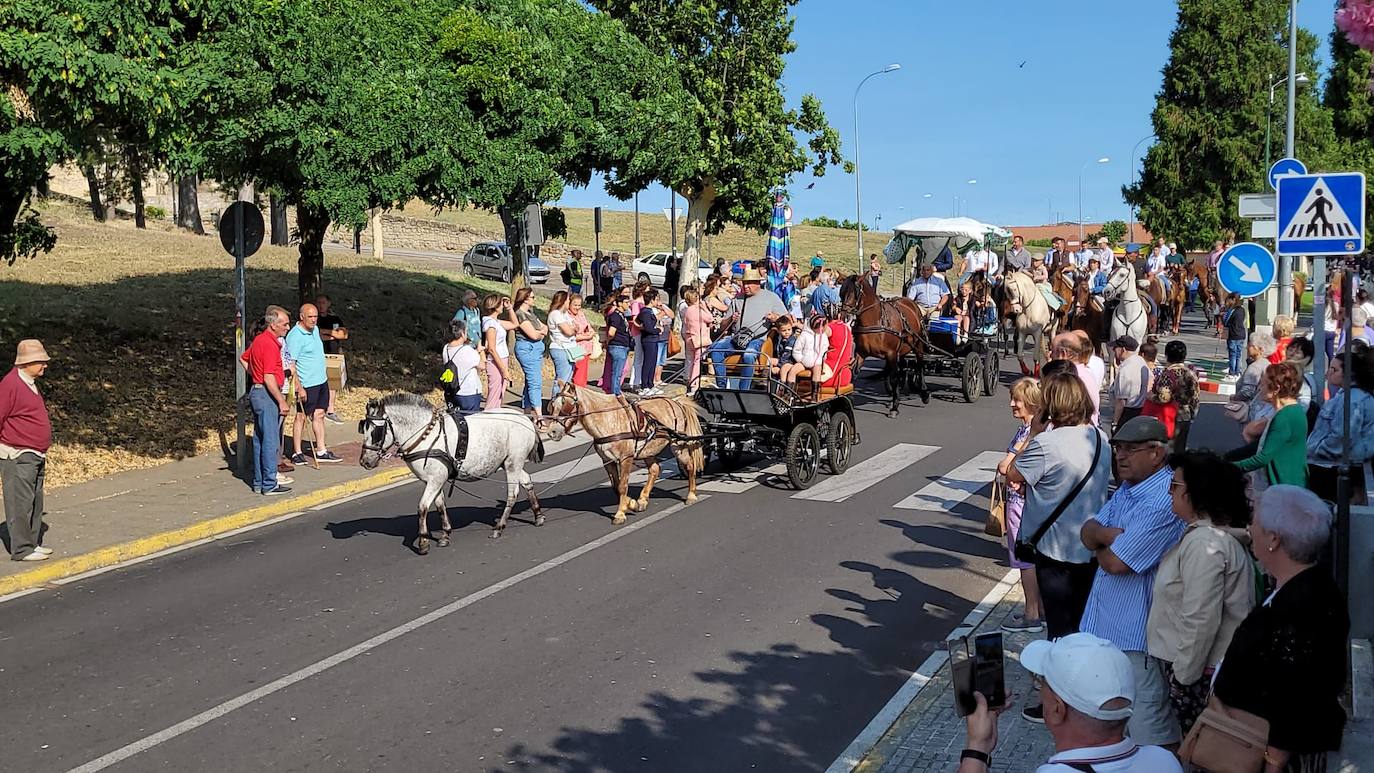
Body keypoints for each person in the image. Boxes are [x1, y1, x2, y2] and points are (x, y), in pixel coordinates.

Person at [1212, 486, 1349, 772]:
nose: (1250, 527)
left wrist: (1273, 762)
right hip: (1251, 743)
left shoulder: (1304, 604)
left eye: (1256, 522)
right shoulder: (1299, 585)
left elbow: (1297, 693)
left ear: (1274, 539)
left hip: (1267, 756)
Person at [1077, 417, 1186, 747]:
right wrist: (1106, 536)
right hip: (1107, 632)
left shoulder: (1162, 501)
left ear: (1156, 452)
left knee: (1149, 733)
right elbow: (1086, 532)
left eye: (1130, 449)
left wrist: (1100, 541)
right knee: (1111, 731)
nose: (1120, 456)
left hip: (1137, 643)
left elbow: (1115, 563)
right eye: (1117, 448)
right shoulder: (1129, 489)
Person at [955, 632, 1183, 773]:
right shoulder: (1164, 761)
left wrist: (978, 746)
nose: (1038, 690)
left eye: (1041, 681)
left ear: (1057, 709)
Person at [1147, 450, 1255, 736]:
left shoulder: (1205, 544)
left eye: (1175, 486)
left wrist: (1183, 677)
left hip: (1200, 674)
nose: (1169, 493)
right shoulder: (1208, 537)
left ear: (1196, 493)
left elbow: (1200, 619)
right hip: (1201, 669)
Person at [1007, 372, 1112, 652]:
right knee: (1081, 624)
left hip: (1054, 549)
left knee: (1059, 629)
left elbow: (1012, 472)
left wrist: (1033, 433)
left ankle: (1058, 687)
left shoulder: (1046, 444)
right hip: (1090, 548)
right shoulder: (1100, 439)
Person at [998, 378, 1046, 634]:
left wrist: (1008, 459)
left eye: (1017, 400)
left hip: (1020, 502)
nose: (1012, 404)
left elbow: (1006, 467)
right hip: (1026, 500)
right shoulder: (1028, 430)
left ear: (1031, 403)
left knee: (1024, 559)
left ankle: (1032, 613)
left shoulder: (1029, 433)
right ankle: (1039, 608)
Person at [0, 339, 54, 560]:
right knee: (19, 502)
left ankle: (32, 542)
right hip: (18, 453)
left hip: (35, 453)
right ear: (27, 362)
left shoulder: (28, 382)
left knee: (34, 500)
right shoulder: (10, 384)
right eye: (41, 361)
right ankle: (21, 549)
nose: (45, 365)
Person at [1308, 342, 1374, 503]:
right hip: (1329, 464)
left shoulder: (1352, 401)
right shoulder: (1345, 396)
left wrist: (1316, 449)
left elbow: (1342, 437)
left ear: (1349, 374)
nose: (1329, 373)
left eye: (1335, 370)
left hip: (1331, 467)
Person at [708, 268, 788, 389]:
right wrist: (731, 319)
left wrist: (775, 318)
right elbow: (724, 324)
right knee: (715, 350)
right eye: (744, 283)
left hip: (758, 339)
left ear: (757, 283)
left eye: (749, 283)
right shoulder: (737, 300)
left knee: (749, 355)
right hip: (737, 338)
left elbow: (786, 319)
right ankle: (722, 387)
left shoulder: (771, 297)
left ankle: (743, 390)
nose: (746, 286)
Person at [240, 313, 292, 496]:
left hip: (257, 391)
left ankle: (259, 481)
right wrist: (281, 401)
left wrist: (255, 376)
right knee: (270, 439)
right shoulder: (270, 345)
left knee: (259, 439)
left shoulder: (259, 341)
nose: (287, 328)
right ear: (273, 325)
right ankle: (269, 483)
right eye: (284, 324)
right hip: (267, 394)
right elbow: (269, 377)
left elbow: (243, 358)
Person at [285, 303, 342, 464]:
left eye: (315, 316)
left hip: (321, 380)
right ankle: (297, 452)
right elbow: (291, 363)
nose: (313, 320)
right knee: (301, 417)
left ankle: (321, 450)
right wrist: (298, 386)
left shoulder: (315, 329)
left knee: (320, 414)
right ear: (302, 316)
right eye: (310, 317)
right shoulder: (295, 336)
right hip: (307, 382)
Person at [1144, 340, 1199, 450]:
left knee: (1166, 450)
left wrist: (1150, 396)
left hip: (1169, 417)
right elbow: (1195, 398)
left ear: (1167, 355)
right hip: (1185, 416)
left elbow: (1164, 397)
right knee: (1180, 449)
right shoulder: (1191, 374)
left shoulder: (1167, 374)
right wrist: (1192, 415)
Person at [511, 287, 548, 416]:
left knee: (530, 381)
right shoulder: (519, 314)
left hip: (536, 349)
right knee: (535, 383)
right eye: (532, 297)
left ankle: (527, 411)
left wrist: (540, 333)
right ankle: (539, 416)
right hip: (527, 349)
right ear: (525, 299)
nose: (534, 299)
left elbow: (545, 328)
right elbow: (533, 335)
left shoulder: (530, 313)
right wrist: (540, 333)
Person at [1049, 333, 1100, 423]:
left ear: (1063, 354)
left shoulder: (1073, 379)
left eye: (1052, 351)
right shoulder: (1085, 373)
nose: (1049, 355)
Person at [314, 294, 347, 424]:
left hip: (333, 355)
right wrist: (332, 334)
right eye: (319, 302)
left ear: (328, 304)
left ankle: (330, 410)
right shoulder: (314, 320)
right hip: (318, 356)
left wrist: (326, 332)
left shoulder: (335, 318)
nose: (321, 305)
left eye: (323, 302)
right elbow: (317, 336)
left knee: (332, 383)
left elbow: (343, 334)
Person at [1107, 336, 1149, 432]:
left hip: (1126, 414)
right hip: (1139, 410)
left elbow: (1121, 401)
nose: (1113, 350)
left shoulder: (1126, 369)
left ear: (1123, 349)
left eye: (1115, 348)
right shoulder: (1141, 362)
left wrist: (1115, 423)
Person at [481, 293, 515, 410]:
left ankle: (495, 413)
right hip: (495, 361)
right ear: (494, 306)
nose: (502, 306)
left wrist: (509, 308)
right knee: (494, 392)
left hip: (502, 358)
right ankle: (489, 415)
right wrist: (503, 370)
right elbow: (491, 348)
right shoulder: (490, 323)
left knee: (500, 391)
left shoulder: (497, 322)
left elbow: (515, 324)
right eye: (500, 303)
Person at [440, 322, 482, 413]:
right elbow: (482, 365)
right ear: (462, 333)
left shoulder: (446, 348)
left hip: (452, 392)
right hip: (468, 393)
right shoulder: (467, 350)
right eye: (466, 331)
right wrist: (480, 350)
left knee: (456, 420)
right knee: (471, 421)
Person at [547, 291, 583, 396]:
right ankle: (555, 401)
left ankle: (564, 402)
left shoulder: (565, 314)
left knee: (569, 377)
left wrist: (573, 329)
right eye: (568, 300)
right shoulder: (555, 314)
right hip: (560, 348)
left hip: (570, 346)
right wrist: (573, 329)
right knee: (562, 378)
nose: (569, 302)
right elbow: (568, 331)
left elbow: (577, 327)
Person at [782, 312, 830, 388]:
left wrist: (821, 360)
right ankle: (788, 392)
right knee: (793, 371)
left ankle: (814, 394)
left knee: (817, 371)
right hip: (803, 362)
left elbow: (825, 349)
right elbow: (796, 350)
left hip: (816, 363)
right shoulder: (804, 335)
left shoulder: (824, 337)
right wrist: (801, 360)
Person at [634, 288, 666, 395]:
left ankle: (650, 384)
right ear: (651, 300)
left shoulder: (649, 312)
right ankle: (644, 385)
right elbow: (648, 328)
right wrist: (658, 330)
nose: (657, 302)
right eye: (656, 300)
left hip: (653, 340)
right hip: (648, 340)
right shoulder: (645, 312)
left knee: (653, 362)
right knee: (648, 363)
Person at [681, 286, 713, 393]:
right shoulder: (697, 311)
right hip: (699, 339)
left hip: (690, 338)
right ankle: (694, 384)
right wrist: (704, 308)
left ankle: (690, 380)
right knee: (697, 362)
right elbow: (710, 318)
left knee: (691, 361)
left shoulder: (687, 310)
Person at [603, 293, 633, 396]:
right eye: (626, 302)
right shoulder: (616, 316)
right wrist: (608, 341)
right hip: (618, 346)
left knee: (619, 371)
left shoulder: (622, 315)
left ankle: (616, 390)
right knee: (617, 372)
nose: (628, 304)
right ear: (619, 303)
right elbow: (611, 332)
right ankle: (615, 393)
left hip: (623, 346)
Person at [1222, 292, 1247, 380]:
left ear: (1233, 300)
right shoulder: (1242, 310)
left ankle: (1232, 373)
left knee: (1232, 354)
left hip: (1233, 335)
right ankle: (1238, 372)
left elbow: (1226, 322)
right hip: (1241, 334)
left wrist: (1223, 315)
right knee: (1238, 354)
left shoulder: (1231, 310)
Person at [453, 289, 483, 354]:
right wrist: (463, 338)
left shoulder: (477, 311)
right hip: (467, 346)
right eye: (475, 298)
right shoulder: (462, 312)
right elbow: (454, 326)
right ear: (469, 300)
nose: (477, 300)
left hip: (478, 345)